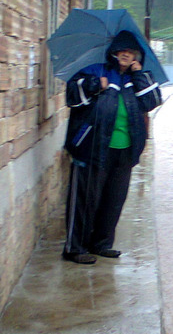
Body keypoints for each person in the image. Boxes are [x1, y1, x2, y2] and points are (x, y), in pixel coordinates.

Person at [61, 30, 164, 264]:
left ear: (137, 56)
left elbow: (153, 101)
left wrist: (139, 74)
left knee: (113, 200)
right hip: (92, 148)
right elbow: (72, 96)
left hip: (125, 151)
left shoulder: (136, 79)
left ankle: (102, 244)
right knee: (85, 200)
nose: (126, 55)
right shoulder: (96, 70)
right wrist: (96, 84)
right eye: (122, 51)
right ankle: (75, 248)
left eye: (131, 52)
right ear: (113, 53)